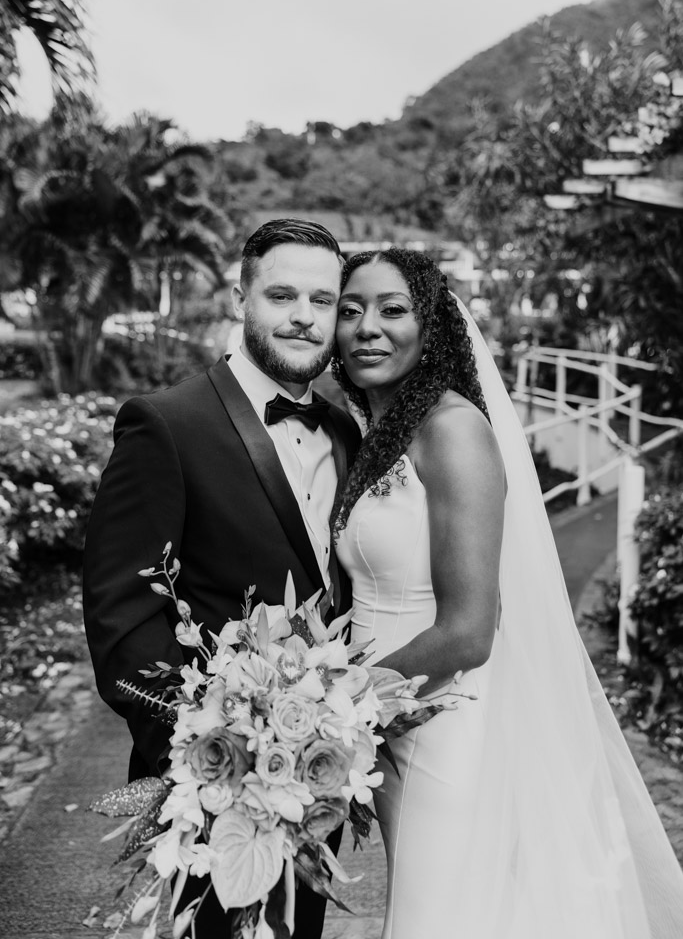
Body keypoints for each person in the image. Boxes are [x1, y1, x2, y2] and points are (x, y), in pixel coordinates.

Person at [332, 247, 683, 939]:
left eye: (391, 310)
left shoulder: (451, 430)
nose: (366, 327)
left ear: (431, 329)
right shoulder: (383, 432)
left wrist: (331, 702)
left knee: (445, 917)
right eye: (349, 311)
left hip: (443, 720)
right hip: (389, 716)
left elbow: (469, 629)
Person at [83, 218, 360, 939]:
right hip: (212, 775)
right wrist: (205, 746)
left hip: (316, 771)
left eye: (322, 300)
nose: (303, 315)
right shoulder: (165, 423)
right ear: (242, 296)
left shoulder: (346, 432)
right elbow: (120, 617)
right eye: (282, 294)